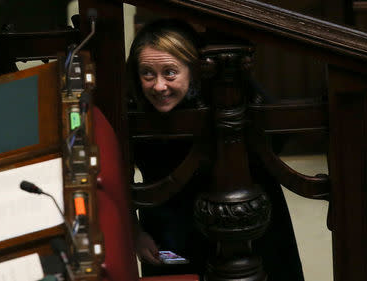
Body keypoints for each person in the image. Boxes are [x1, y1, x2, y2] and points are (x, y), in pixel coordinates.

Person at [128, 19, 304, 280]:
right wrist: (135, 233)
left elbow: (278, 137)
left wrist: (237, 77)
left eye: (170, 72)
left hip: (245, 217)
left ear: (194, 70)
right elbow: (118, 177)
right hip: (169, 230)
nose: (159, 86)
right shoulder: (131, 108)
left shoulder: (227, 94)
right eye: (148, 74)